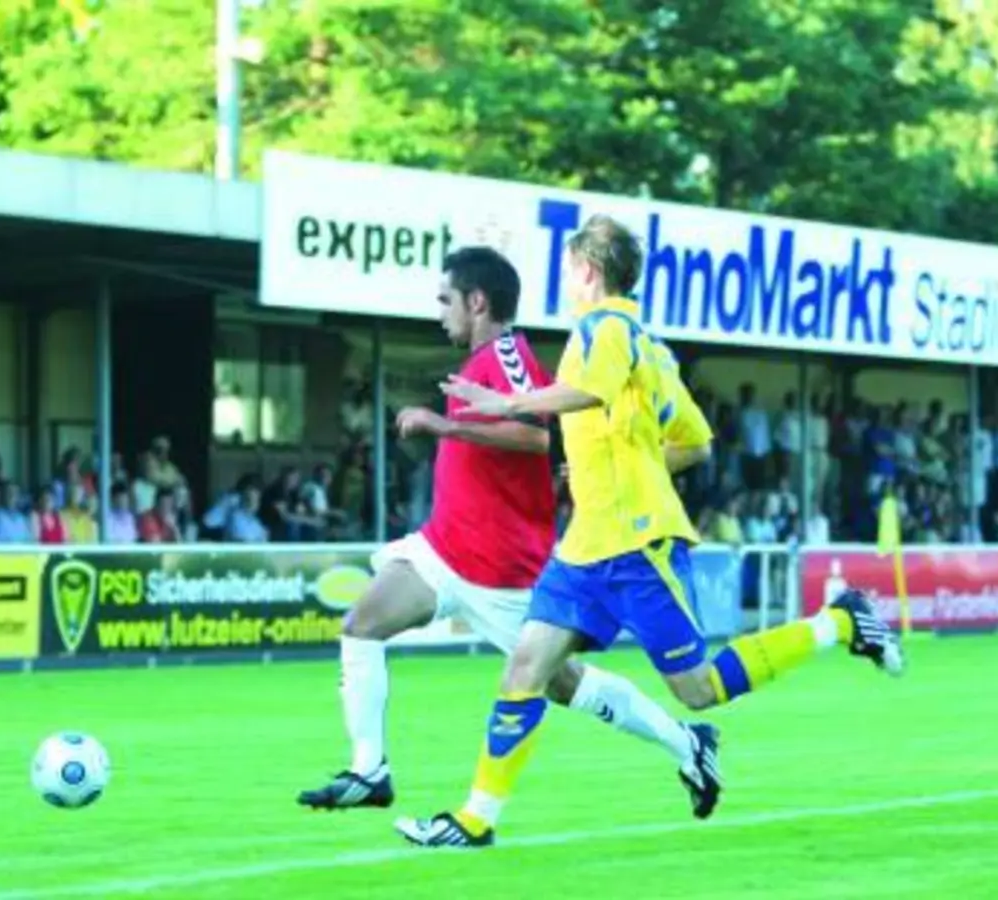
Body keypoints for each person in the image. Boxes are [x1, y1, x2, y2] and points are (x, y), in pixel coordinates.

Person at [397, 215, 903, 848]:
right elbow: (693, 442)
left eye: (567, 270)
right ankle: (475, 820)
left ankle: (842, 621)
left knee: (700, 688)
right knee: (525, 669)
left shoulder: (604, 328)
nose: (565, 281)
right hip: (585, 547)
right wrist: (614, 461)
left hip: (638, 546)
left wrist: (508, 403)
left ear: (586, 270)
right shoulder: (651, 347)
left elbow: (584, 394)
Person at [298, 246, 717, 818]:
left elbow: (547, 439)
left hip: (502, 567)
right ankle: (370, 770)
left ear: (478, 302)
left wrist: (445, 425)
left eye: (446, 301)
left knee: (564, 685)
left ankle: (687, 741)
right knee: (362, 623)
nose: (439, 313)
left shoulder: (507, 354)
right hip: (445, 547)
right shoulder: (477, 362)